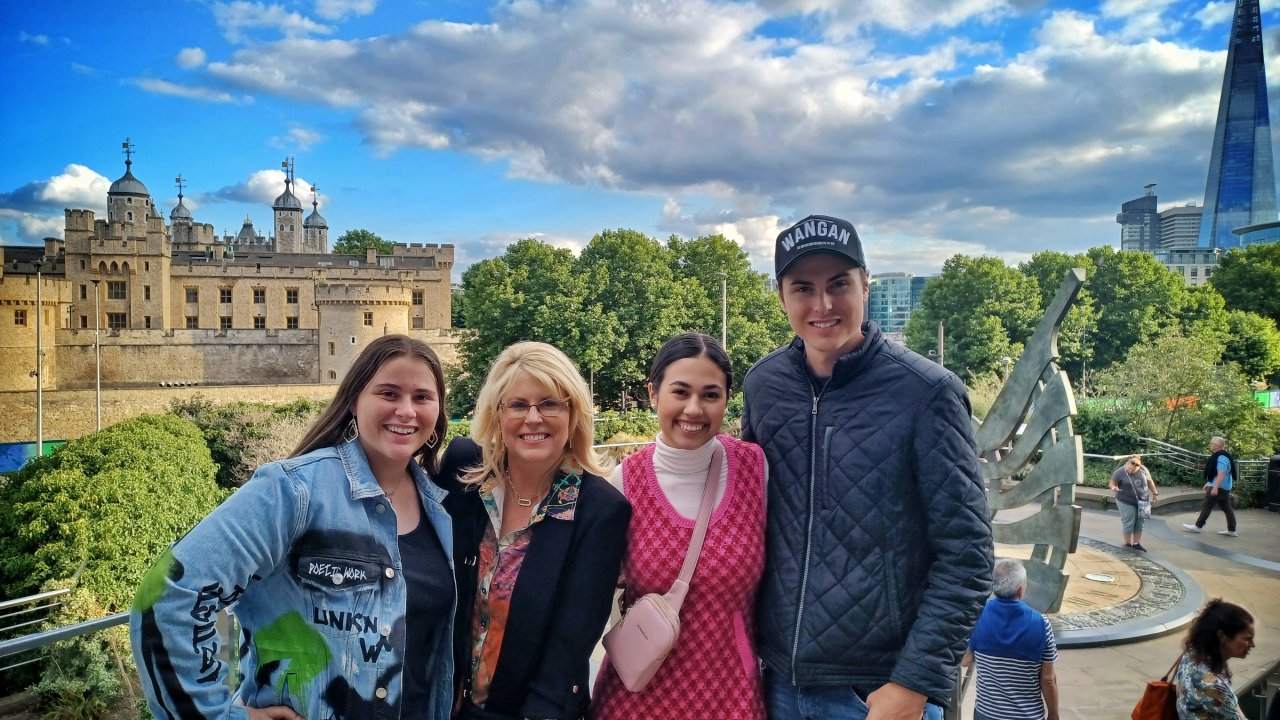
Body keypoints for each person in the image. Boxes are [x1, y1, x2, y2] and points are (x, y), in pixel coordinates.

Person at [740, 214, 994, 720]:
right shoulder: (763, 385)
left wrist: (915, 681)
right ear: (780, 295)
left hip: (877, 692)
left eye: (839, 284)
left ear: (865, 284)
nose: (823, 305)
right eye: (803, 288)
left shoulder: (927, 393)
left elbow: (967, 554)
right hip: (776, 683)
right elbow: (748, 519)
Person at [131, 334, 455, 720]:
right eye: (388, 394)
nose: (406, 410)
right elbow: (168, 591)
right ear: (354, 400)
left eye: (421, 397)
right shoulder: (295, 491)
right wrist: (223, 717)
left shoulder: (441, 506)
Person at [440, 341, 631, 720]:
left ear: (573, 413)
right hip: (440, 703)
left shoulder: (599, 509)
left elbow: (568, 649)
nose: (533, 418)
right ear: (497, 412)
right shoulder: (464, 474)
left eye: (549, 403)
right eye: (517, 404)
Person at [593, 333, 768, 719]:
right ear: (653, 394)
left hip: (731, 697)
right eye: (680, 392)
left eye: (710, 395)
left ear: (726, 400)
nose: (693, 409)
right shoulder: (623, 482)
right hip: (636, 699)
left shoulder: (755, 469)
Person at [961, 559, 1059, 720]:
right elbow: (1048, 680)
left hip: (986, 714)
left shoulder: (978, 615)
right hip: (1027, 716)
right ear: (1021, 591)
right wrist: (1054, 714)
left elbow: (965, 661)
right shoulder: (1041, 624)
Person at [1174, 599, 1255, 719]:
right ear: (1222, 636)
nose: (1252, 644)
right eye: (1247, 639)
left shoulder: (1193, 653)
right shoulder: (1212, 686)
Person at [1183, 436, 1240, 537]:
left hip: (1220, 487)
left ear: (1217, 445)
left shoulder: (1221, 457)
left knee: (1207, 506)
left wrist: (1215, 487)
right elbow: (1215, 473)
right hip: (1224, 486)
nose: (1210, 445)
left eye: (1211, 443)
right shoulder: (1220, 455)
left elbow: (1221, 473)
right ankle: (1232, 530)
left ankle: (1198, 526)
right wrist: (1209, 483)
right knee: (1226, 507)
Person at [1109, 455, 1159, 551]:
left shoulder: (1144, 469)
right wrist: (1113, 488)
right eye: (1129, 469)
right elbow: (1112, 483)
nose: (1131, 471)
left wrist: (1155, 493)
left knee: (1140, 523)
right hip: (1125, 500)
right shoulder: (1120, 471)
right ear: (1127, 464)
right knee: (1129, 522)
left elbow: (1150, 481)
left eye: (1134, 470)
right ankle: (1127, 544)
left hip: (1144, 500)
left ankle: (1136, 543)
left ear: (1139, 467)